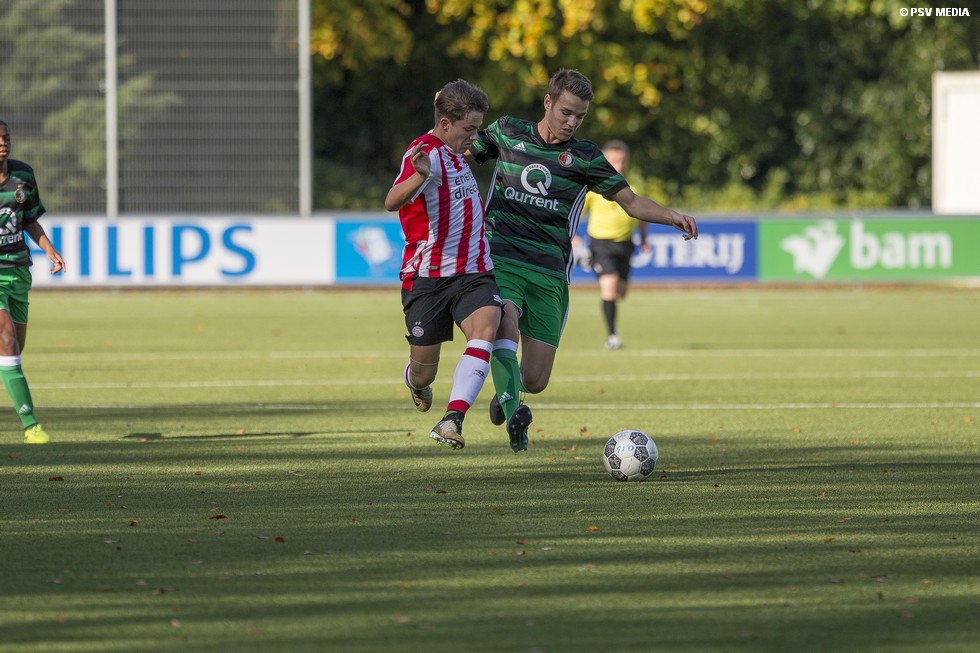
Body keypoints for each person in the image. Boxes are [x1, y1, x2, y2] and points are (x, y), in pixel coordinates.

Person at [468, 69, 698, 453]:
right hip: (501, 260)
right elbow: (458, 150)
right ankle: (513, 412)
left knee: (536, 379)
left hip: (550, 273)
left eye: (580, 116)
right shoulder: (507, 131)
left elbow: (631, 202)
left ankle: (510, 389)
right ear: (548, 102)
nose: (572, 122)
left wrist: (671, 216)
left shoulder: (585, 156)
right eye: (566, 112)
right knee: (503, 319)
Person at [385, 80, 503, 450]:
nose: (475, 137)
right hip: (429, 278)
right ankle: (415, 381)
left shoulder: (455, 148)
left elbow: (443, 103)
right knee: (425, 371)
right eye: (470, 128)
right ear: (447, 124)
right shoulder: (427, 155)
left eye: (477, 128)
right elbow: (391, 201)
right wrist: (420, 175)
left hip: (474, 270)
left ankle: (453, 418)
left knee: (486, 329)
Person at [0, 120, 66, 444]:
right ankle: (31, 425)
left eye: (6, 138)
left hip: (18, 272)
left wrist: (49, 249)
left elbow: (29, 221)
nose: (3, 143)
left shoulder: (23, 176)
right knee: (6, 338)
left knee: (14, 349)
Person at [573, 140, 647, 350]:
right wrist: (573, 236)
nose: (619, 165)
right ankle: (612, 336)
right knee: (610, 287)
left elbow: (642, 214)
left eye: (622, 161)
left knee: (620, 293)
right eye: (614, 161)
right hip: (601, 244)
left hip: (625, 244)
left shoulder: (634, 186)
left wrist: (644, 238)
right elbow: (575, 211)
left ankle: (589, 262)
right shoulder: (594, 188)